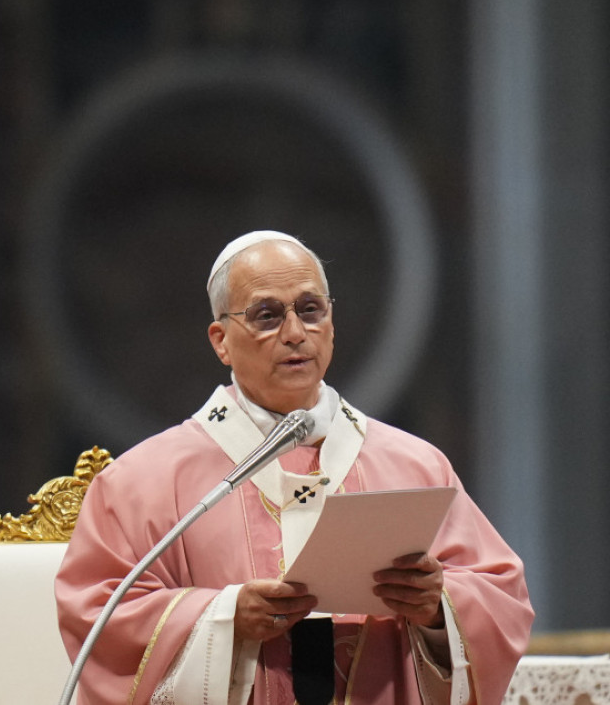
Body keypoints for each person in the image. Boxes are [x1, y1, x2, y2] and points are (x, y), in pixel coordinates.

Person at [55, 230, 533, 705]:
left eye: (310, 310)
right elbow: (98, 617)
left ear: (331, 322)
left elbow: (501, 598)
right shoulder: (143, 481)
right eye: (267, 315)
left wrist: (435, 608)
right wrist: (225, 617)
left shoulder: (415, 465)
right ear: (221, 341)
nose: (294, 333)